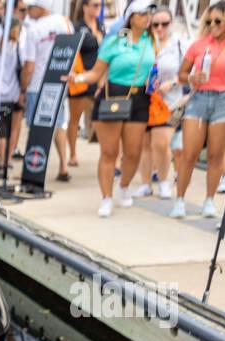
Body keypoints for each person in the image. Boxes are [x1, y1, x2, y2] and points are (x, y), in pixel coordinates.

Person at [67, 0, 156, 216]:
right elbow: (96, 73)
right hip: (113, 94)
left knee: (133, 153)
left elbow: (156, 69)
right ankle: (106, 197)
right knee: (109, 152)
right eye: (143, 14)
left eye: (149, 14)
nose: (148, 18)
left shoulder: (151, 40)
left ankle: (123, 185)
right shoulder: (115, 41)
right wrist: (77, 77)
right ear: (132, 17)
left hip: (140, 97)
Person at [170, 0, 225, 219]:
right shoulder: (200, 44)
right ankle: (180, 199)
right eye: (209, 20)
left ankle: (209, 200)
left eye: (218, 21)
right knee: (189, 153)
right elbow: (181, 74)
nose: (212, 24)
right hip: (199, 98)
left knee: (216, 155)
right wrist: (191, 77)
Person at [136, 7, 188, 198]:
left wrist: (172, 82)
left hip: (169, 101)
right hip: (145, 99)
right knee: (145, 143)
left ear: (171, 24)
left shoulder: (180, 44)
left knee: (161, 142)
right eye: (155, 24)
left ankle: (164, 182)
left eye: (164, 24)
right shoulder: (144, 43)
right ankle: (146, 183)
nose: (160, 28)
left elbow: (188, 73)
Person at [20, 1, 74, 181]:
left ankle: (32, 168)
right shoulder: (63, 22)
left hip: (37, 83)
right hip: (58, 81)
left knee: (35, 126)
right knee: (58, 124)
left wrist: (23, 88)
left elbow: (29, 65)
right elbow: (71, 49)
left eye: (29, 8)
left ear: (39, 7)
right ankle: (63, 165)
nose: (27, 12)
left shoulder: (33, 29)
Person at [0, 8, 26, 171]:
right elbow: (24, 69)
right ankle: (7, 159)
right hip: (14, 94)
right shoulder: (18, 47)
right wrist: (23, 91)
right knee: (13, 128)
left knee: (1, 129)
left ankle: (2, 160)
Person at [67, 0, 106, 168]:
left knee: (103, 118)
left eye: (99, 5)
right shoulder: (77, 27)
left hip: (99, 79)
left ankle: (105, 152)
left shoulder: (101, 26)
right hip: (82, 77)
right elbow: (71, 51)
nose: (98, 8)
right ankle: (73, 154)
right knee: (75, 118)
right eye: (95, 5)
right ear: (85, 7)